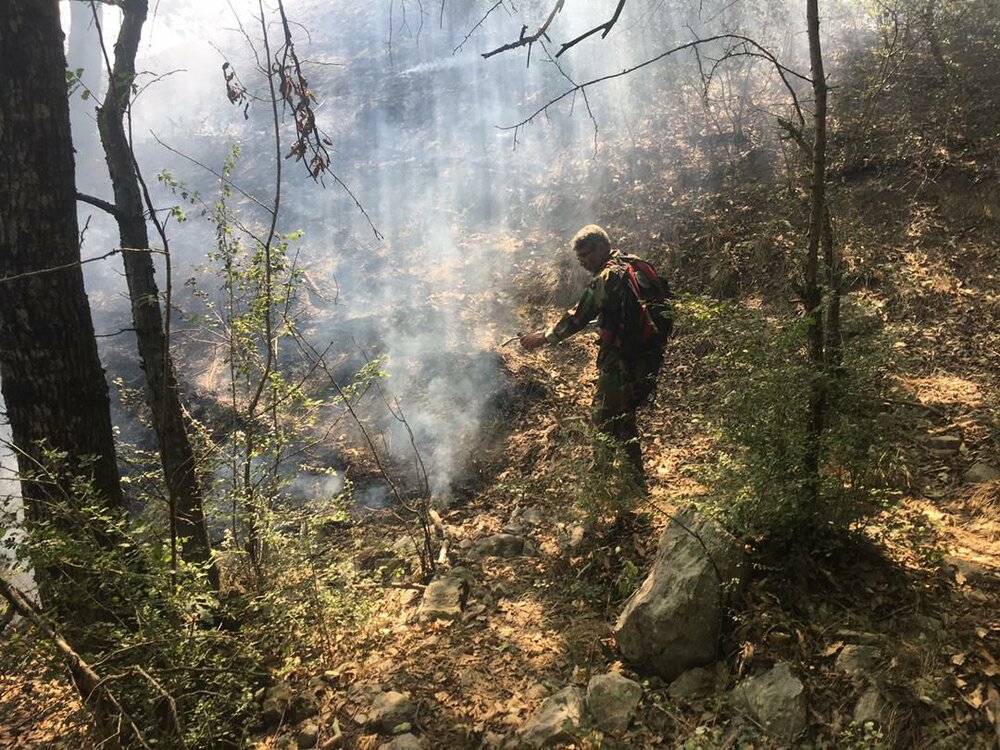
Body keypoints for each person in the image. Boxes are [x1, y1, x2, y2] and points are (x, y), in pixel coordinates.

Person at [519, 224, 672, 492]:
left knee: (603, 420)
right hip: (647, 359)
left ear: (601, 248)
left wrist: (543, 337)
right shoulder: (633, 264)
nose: (582, 262)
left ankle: (598, 490)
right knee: (624, 419)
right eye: (579, 257)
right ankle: (635, 486)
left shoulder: (608, 276)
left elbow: (578, 316)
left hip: (621, 363)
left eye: (585, 255)